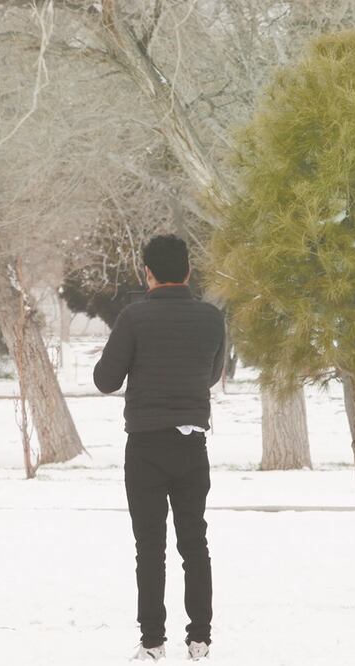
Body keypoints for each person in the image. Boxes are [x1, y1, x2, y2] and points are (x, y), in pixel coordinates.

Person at [93, 234, 225, 661]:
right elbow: (211, 373)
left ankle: (152, 642)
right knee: (194, 543)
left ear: (147, 273)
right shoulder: (211, 318)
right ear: (188, 270)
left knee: (149, 547)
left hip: (146, 447)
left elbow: (105, 381)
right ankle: (200, 639)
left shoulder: (134, 318)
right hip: (192, 444)